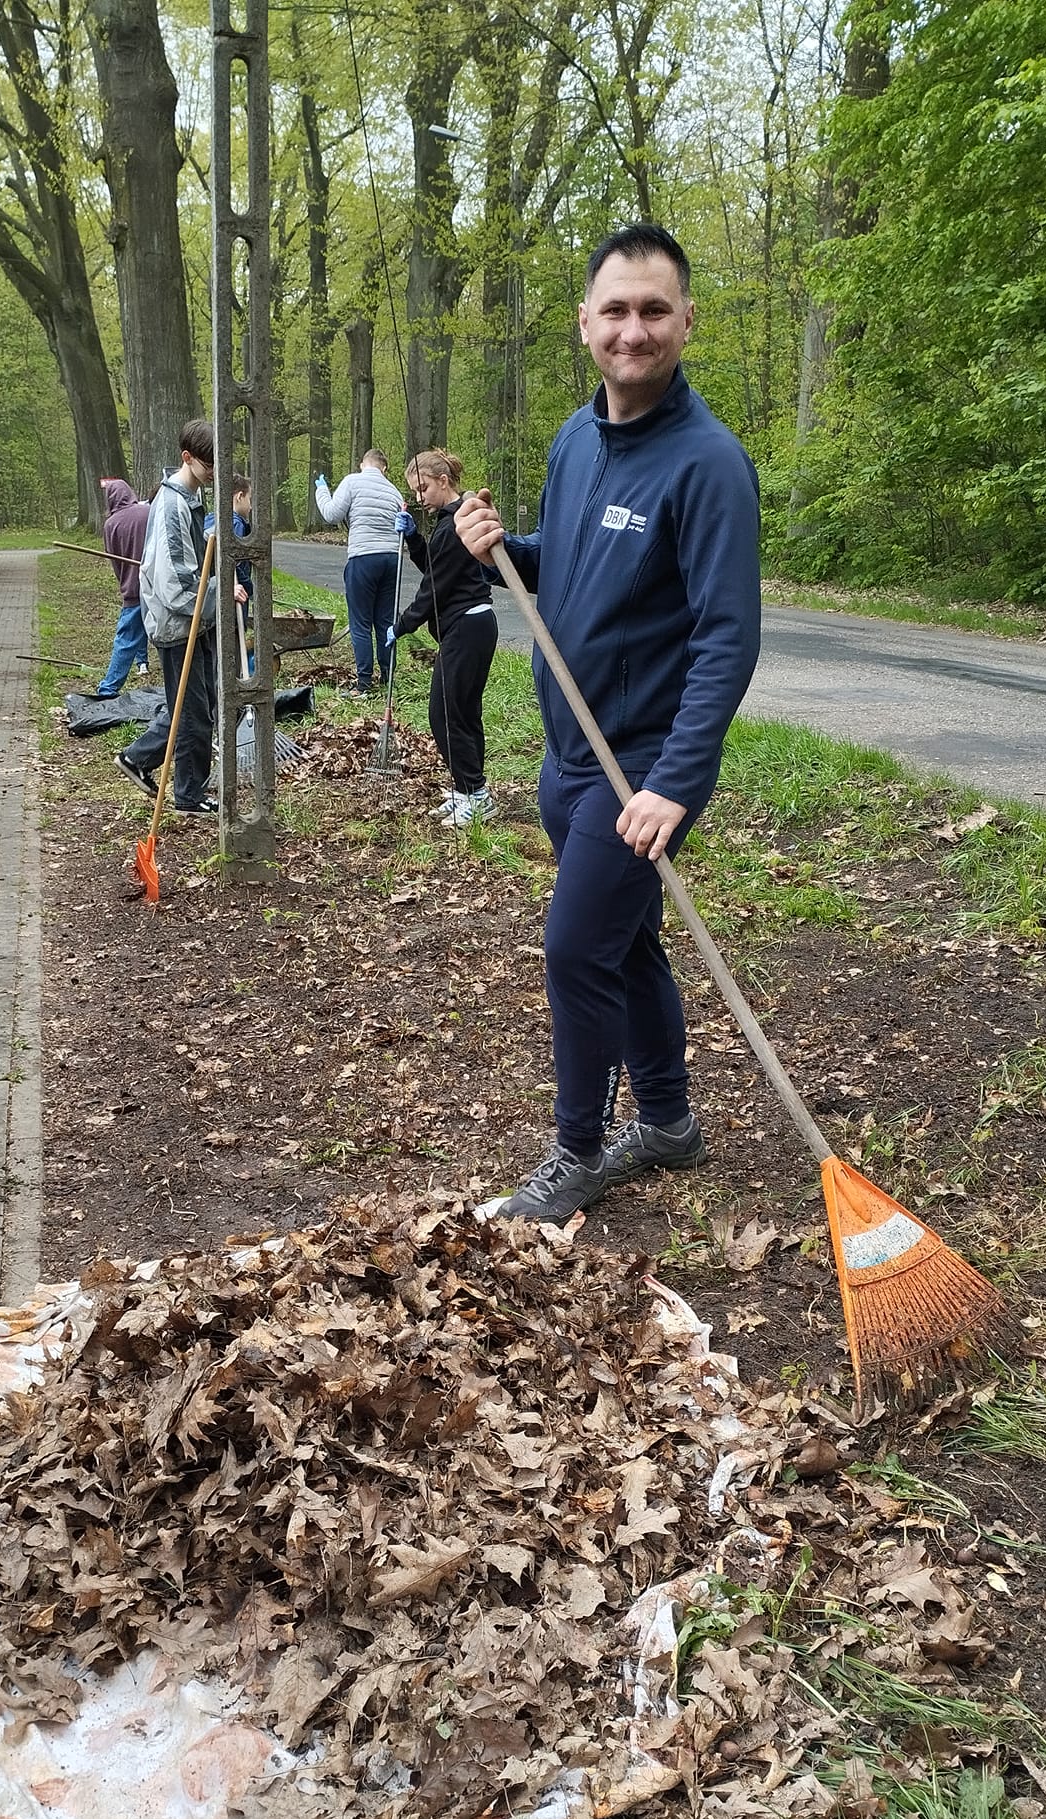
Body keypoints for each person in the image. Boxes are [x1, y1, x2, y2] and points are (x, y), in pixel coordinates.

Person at [455, 224, 761, 1224]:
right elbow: (574, 566)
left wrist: (676, 780)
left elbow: (726, 638)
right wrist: (507, 547)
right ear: (584, 323)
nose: (635, 330)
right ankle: (668, 1124)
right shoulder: (576, 440)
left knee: (576, 948)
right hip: (569, 755)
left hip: (643, 762)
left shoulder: (709, 464)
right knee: (627, 946)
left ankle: (578, 1149)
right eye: (617, 310)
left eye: (655, 310)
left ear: (686, 322)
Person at [115, 420, 246, 818]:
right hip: (177, 625)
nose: (213, 474)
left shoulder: (191, 497)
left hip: (196, 620)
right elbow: (175, 583)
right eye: (208, 466)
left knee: (193, 707)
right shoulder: (171, 506)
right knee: (191, 714)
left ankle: (139, 760)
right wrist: (219, 593)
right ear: (187, 458)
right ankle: (187, 794)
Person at [392, 450, 498, 826]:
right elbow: (435, 569)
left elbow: (434, 587)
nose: (419, 497)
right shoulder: (448, 522)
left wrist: (403, 624)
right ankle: (468, 789)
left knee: (445, 714)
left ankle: (476, 793)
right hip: (469, 627)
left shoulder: (458, 522)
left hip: (468, 626)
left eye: (422, 488)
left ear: (442, 480)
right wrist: (415, 541)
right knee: (463, 712)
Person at [314, 451, 405, 694]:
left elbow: (331, 514)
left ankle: (364, 683)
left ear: (363, 464)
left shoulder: (352, 481)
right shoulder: (394, 491)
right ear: (384, 468)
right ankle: (388, 678)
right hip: (392, 559)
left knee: (361, 622)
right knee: (386, 621)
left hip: (363, 556)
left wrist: (321, 491)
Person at [97, 478, 150, 697]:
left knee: (126, 640)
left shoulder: (110, 525)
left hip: (133, 589)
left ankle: (108, 689)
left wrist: (126, 583)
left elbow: (115, 562)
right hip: (157, 586)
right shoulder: (146, 512)